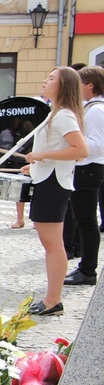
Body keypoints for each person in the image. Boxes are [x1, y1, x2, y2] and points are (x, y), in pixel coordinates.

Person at [21, 67, 88, 316]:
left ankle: (53, 300)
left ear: (62, 86)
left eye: (51, 79)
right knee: (51, 244)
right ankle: (52, 299)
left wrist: (43, 155)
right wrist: (36, 164)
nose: (45, 81)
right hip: (49, 179)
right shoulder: (57, 113)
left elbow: (80, 150)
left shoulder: (63, 116)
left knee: (53, 245)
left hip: (53, 184)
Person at [63, 66, 104, 286]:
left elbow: (98, 146)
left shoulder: (96, 110)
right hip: (86, 167)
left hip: (88, 168)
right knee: (84, 220)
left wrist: (74, 146)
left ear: (90, 85)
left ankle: (88, 270)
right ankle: (85, 267)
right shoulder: (92, 108)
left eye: (79, 83)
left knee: (86, 221)